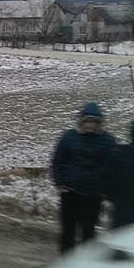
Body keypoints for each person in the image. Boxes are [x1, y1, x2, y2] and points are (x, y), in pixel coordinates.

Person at [51, 102, 117, 253]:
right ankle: (66, 264)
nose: (90, 125)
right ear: (81, 121)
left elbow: (112, 166)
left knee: (89, 232)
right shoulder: (69, 138)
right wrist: (60, 183)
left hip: (93, 195)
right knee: (68, 231)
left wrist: (105, 188)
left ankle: (85, 266)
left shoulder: (107, 141)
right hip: (71, 193)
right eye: (88, 120)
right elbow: (57, 161)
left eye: (94, 121)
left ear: (99, 123)